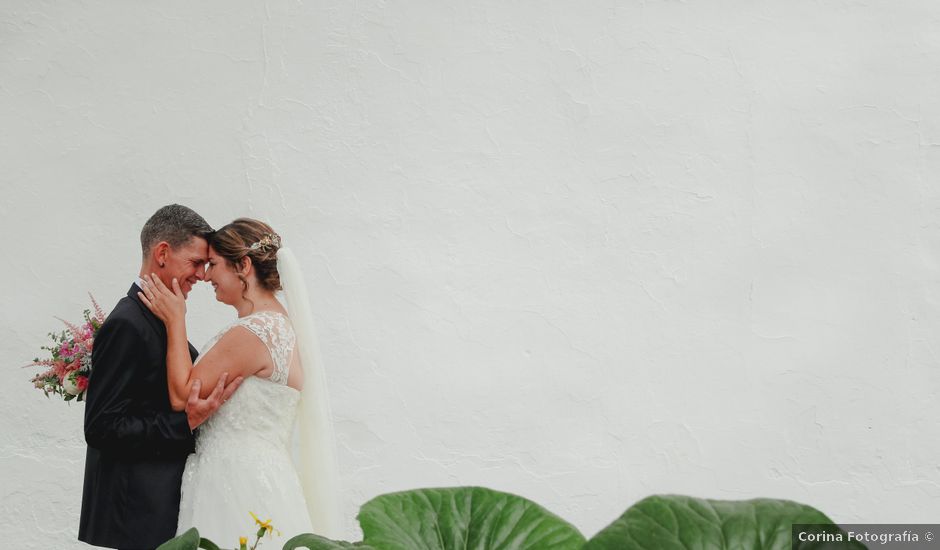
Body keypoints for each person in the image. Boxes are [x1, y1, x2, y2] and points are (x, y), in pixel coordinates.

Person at [137, 218, 340, 545]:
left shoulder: (253, 333)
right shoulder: (278, 326)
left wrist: (176, 321)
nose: (205, 276)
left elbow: (181, 396)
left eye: (213, 265)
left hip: (235, 483)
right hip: (263, 476)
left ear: (243, 265)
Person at [79, 204, 244, 550]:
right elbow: (101, 426)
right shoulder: (127, 322)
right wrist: (184, 422)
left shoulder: (158, 316)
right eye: (196, 262)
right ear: (163, 253)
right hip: (135, 517)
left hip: (154, 510)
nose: (201, 275)